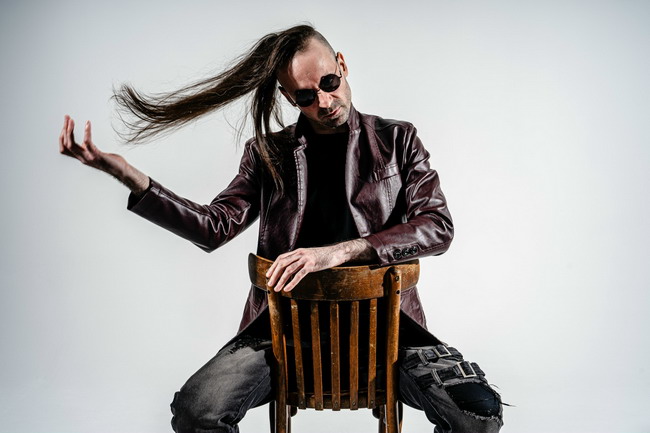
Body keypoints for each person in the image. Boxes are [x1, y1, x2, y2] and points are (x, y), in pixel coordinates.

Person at [59, 24, 503, 433]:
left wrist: (341, 251)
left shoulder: (398, 140)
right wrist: (131, 178)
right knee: (197, 412)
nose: (324, 102)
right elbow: (214, 227)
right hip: (280, 335)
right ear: (288, 97)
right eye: (306, 96)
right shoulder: (267, 153)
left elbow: (437, 226)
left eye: (329, 83)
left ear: (342, 65)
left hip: (389, 332)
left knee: (479, 417)